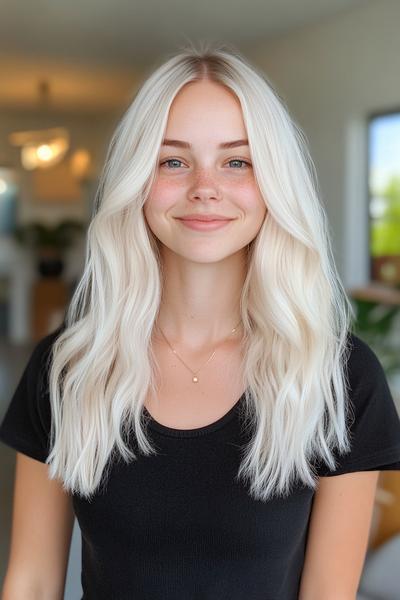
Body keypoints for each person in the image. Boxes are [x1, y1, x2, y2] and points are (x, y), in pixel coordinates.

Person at [1, 41, 400, 600]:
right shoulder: (70, 366)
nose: (204, 187)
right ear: (138, 181)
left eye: (237, 161)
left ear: (273, 184)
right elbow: (33, 582)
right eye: (173, 161)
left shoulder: (338, 377)